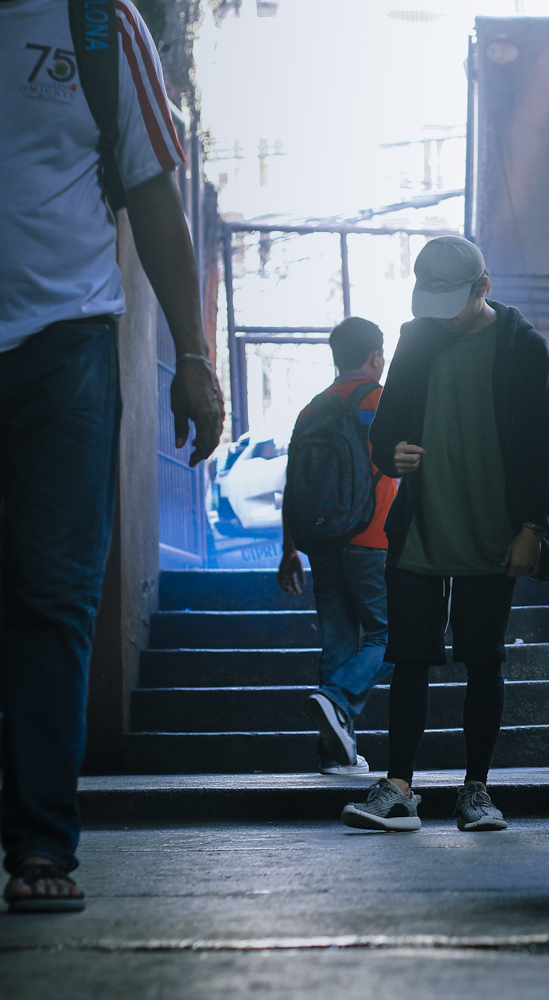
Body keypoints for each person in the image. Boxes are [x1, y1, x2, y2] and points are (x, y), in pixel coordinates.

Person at [0, 0, 224, 911]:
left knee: (51, 596)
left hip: (66, 345)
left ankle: (39, 844)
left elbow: (153, 194)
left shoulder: (98, 24)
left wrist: (194, 357)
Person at [341, 236, 549, 833]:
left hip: (495, 533)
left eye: (453, 304)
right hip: (421, 529)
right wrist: (392, 453)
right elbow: (384, 433)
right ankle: (399, 789)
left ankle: (476, 792)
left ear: (483, 287)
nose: (441, 317)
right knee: (409, 659)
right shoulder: (416, 340)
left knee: (483, 661)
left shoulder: (522, 347)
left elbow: (546, 446)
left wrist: (533, 525)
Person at [277, 317, 398, 776]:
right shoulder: (379, 400)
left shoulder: (311, 410)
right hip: (372, 538)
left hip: (322, 543)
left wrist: (289, 549)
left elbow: (293, 484)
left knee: (338, 642)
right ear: (376, 357)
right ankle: (336, 697)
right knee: (394, 637)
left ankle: (335, 753)